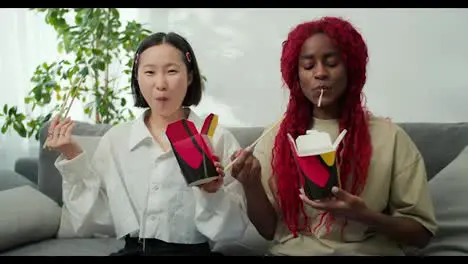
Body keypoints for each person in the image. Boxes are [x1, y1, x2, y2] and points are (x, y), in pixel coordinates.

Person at [45, 32, 259, 256]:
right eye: (149, 72)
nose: (161, 84)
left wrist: (212, 193)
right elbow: (95, 218)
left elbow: (233, 229)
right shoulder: (117, 139)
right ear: (137, 77)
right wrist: (72, 155)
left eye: (172, 71)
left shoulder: (216, 137)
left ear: (190, 77)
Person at [250, 16, 438, 256]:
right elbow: (267, 230)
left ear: (352, 69)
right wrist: (250, 183)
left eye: (332, 62)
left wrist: (364, 216)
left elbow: (421, 234)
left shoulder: (391, 138)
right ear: (295, 75)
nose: (320, 73)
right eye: (308, 66)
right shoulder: (276, 137)